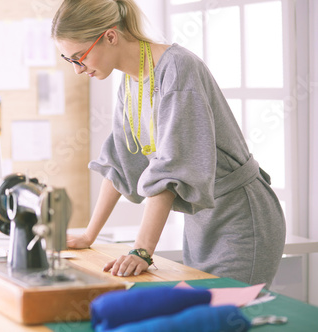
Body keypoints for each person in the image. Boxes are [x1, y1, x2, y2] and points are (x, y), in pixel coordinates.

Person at [51, 0, 286, 286]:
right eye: (69, 60)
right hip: (201, 222)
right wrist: (89, 234)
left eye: (79, 57)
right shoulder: (130, 82)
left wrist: (142, 250)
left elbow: (172, 169)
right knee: (205, 319)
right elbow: (120, 163)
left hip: (239, 218)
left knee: (230, 317)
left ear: (110, 36)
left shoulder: (177, 69)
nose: (77, 69)